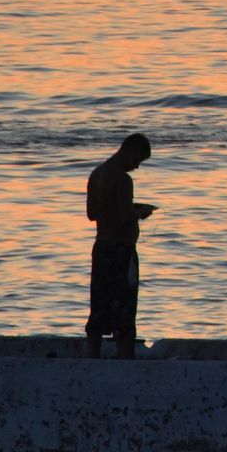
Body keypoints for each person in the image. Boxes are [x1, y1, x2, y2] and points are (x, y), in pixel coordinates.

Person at [86, 132, 155, 359]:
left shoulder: (96, 175)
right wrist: (140, 212)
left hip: (101, 248)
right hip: (122, 251)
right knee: (124, 311)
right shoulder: (123, 180)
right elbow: (126, 217)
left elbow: (92, 214)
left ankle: (92, 359)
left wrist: (123, 208)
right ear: (130, 151)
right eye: (138, 160)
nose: (136, 167)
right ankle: (124, 361)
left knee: (99, 307)